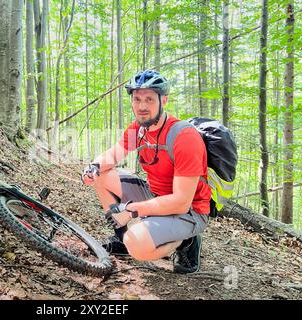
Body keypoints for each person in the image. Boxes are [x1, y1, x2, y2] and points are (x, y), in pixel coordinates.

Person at [81, 70, 211, 274]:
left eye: (149, 99)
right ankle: (121, 237)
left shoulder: (184, 137)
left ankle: (186, 242)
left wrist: (132, 210)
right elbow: (113, 155)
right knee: (102, 175)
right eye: (137, 99)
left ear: (164, 100)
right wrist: (93, 168)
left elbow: (181, 202)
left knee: (138, 246)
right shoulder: (139, 130)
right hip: (156, 195)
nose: (142, 106)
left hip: (189, 210)